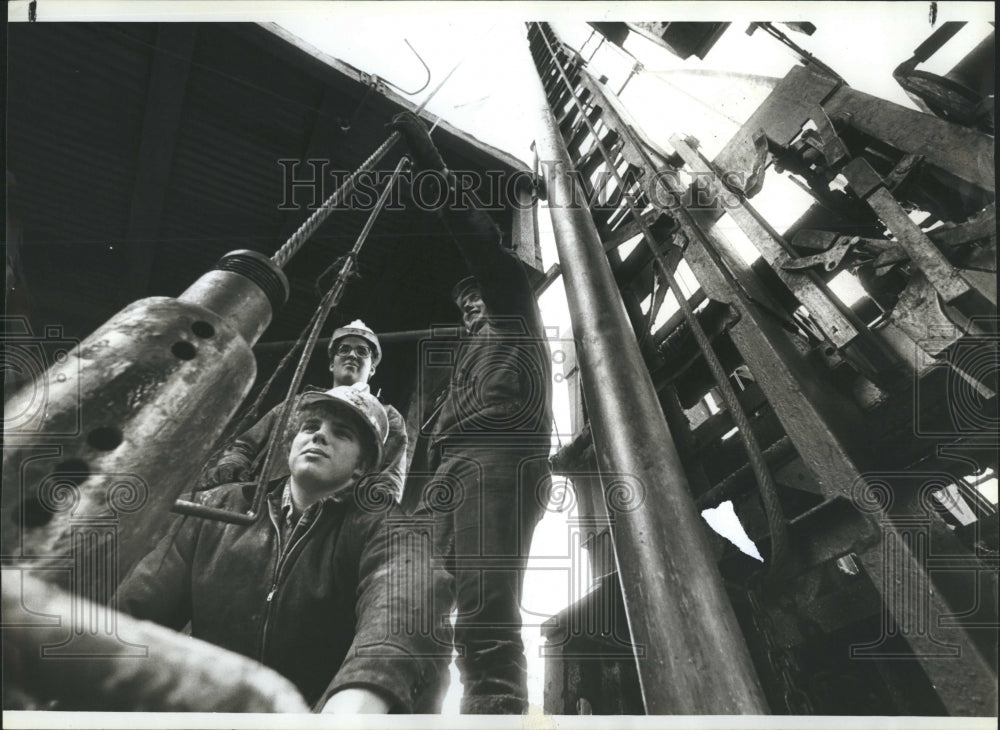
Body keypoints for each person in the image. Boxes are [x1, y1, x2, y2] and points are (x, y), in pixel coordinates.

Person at [115, 385, 447, 712]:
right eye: (310, 428)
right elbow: (138, 603)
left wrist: (362, 690)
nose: (318, 436)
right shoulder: (222, 506)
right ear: (290, 446)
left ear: (361, 466)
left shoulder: (380, 525)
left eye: (341, 433)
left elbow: (406, 593)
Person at [390, 112, 553, 714]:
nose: (470, 309)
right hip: (451, 468)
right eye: (463, 306)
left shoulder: (515, 315)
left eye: (476, 296)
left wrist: (427, 161)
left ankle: (497, 707)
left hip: (500, 458)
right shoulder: (466, 359)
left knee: (485, 604)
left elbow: (477, 236)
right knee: (415, 597)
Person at [203, 320, 407, 502]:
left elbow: (388, 483)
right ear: (331, 364)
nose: (352, 355)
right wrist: (232, 463)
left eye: (362, 351)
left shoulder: (387, 417)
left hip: (332, 521)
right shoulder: (297, 404)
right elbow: (245, 444)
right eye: (344, 349)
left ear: (372, 368)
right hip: (265, 504)